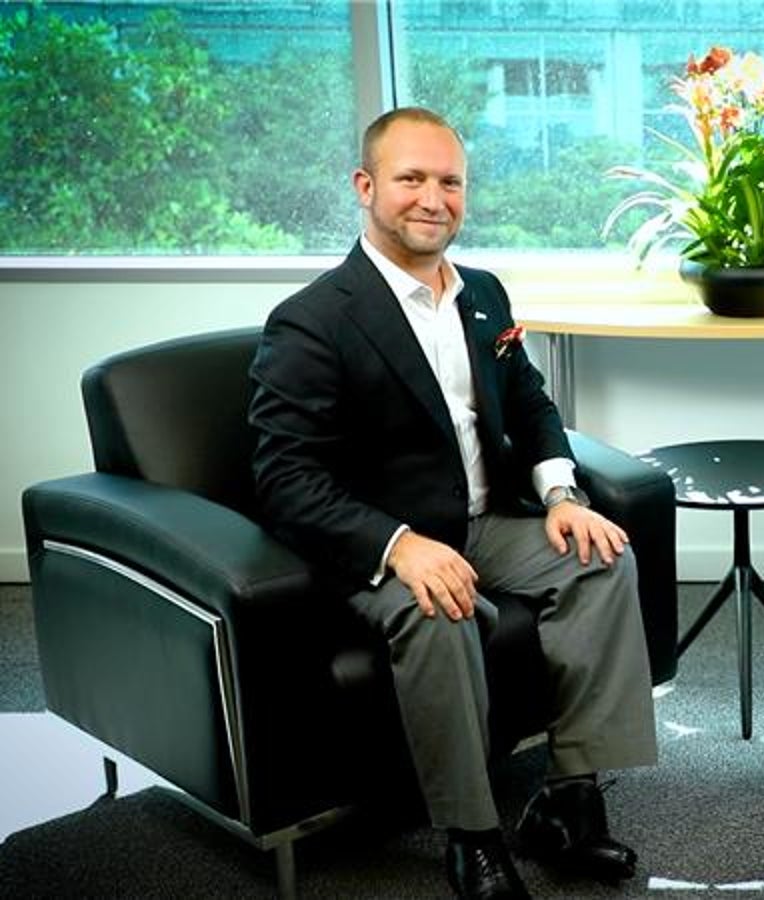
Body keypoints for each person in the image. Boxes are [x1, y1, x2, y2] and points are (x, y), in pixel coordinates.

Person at [248, 107, 657, 900]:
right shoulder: (312, 321)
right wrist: (398, 545)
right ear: (365, 187)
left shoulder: (484, 295)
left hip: (486, 519)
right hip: (382, 542)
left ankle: (569, 801)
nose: (432, 198)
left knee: (603, 559)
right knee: (439, 608)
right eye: (411, 179)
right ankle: (474, 835)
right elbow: (286, 481)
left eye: (449, 182)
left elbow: (532, 404)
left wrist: (562, 494)